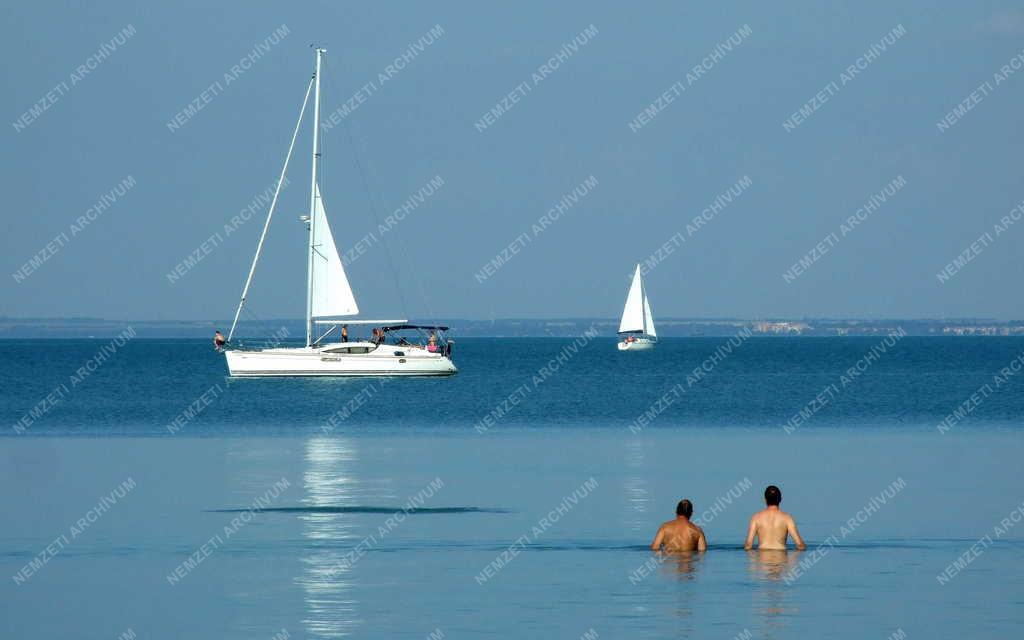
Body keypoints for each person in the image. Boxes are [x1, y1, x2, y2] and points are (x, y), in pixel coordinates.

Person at [744, 485, 806, 551]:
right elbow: (800, 545)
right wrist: (791, 559)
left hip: (762, 559)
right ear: (780, 499)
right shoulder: (787, 518)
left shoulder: (756, 517)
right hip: (781, 559)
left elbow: (748, 545)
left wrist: (754, 559)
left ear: (765, 499)